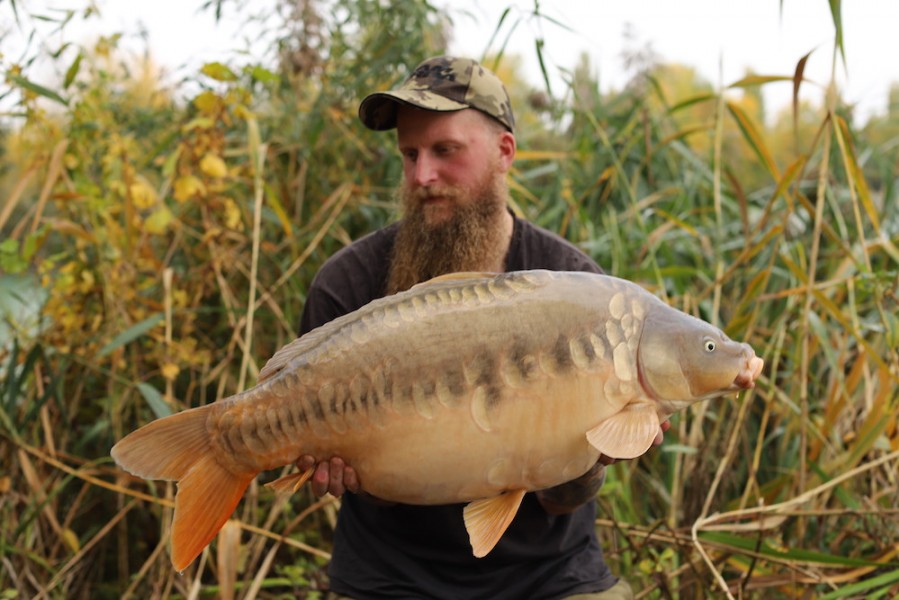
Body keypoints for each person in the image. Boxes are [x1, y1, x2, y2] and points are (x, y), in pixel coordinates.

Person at [296, 56, 666, 600]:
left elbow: (567, 500)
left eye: (446, 151)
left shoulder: (581, 292)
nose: (423, 176)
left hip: (548, 575)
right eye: (410, 155)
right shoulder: (346, 284)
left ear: (504, 153)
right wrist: (338, 467)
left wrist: (597, 452)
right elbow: (358, 481)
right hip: (389, 575)